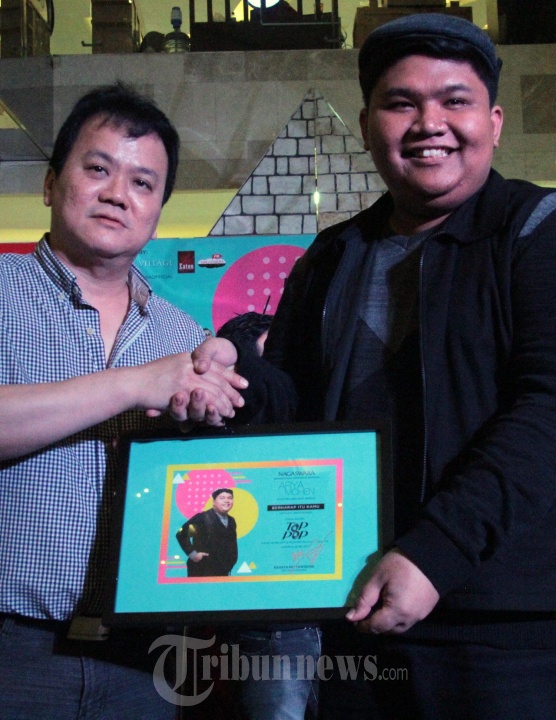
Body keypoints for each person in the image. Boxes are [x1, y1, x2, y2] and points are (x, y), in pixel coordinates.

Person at [192, 13, 556, 719]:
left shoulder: (535, 230)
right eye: (401, 103)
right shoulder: (331, 255)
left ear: (495, 122)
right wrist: (232, 373)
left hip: (501, 630)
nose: (429, 123)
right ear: (365, 126)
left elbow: (547, 410)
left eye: (454, 101)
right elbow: (290, 406)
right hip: (348, 611)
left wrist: (435, 553)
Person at [0, 82, 247, 719]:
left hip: (143, 660)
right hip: (13, 649)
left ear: (158, 209)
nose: (118, 194)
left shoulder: (184, 338)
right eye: (97, 169)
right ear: (50, 184)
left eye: (142, 183)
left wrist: (216, 421)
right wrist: (138, 384)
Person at [217, 312, 322, 720]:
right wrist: (238, 356)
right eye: (271, 357)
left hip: (326, 611)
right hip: (273, 623)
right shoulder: (238, 412)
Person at [177, 488, 238, 577]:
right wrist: (193, 555)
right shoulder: (202, 518)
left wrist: (231, 560)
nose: (226, 501)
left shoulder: (231, 520)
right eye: (222, 498)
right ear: (213, 502)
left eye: (230, 498)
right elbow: (182, 534)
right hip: (201, 569)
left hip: (223, 570)